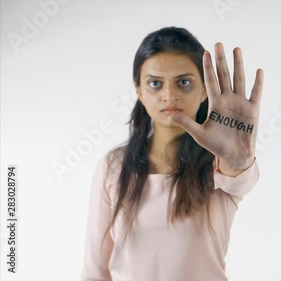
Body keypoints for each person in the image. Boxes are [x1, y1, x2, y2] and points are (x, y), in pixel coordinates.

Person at [80, 26, 264, 281]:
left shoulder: (219, 165)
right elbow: (95, 273)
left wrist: (240, 159)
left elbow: (241, 176)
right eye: (155, 83)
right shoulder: (113, 166)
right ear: (139, 91)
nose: (169, 95)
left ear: (203, 90)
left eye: (184, 82)